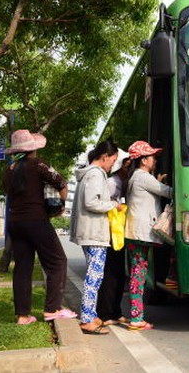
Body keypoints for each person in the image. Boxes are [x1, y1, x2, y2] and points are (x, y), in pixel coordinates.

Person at [3, 129, 76, 325]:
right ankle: (53, 309)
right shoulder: (39, 164)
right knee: (57, 261)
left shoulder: (10, 170)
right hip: (36, 220)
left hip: (15, 223)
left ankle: (23, 315)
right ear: (33, 148)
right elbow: (61, 183)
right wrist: (60, 207)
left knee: (23, 268)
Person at [69, 141, 121, 335]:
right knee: (95, 276)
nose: (112, 165)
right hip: (94, 232)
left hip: (89, 231)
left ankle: (90, 314)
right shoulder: (96, 174)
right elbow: (91, 202)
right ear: (105, 156)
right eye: (113, 161)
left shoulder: (88, 174)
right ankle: (88, 318)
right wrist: (113, 205)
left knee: (94, 275)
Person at [124, 141, 172, 331]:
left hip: (136, 232)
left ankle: (136, 315)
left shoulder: (137, 176)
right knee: (138, 274)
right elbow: (168, 192)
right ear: (144, 160)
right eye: (152, 157)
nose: (154, 160)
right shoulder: (143, 176)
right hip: (140, 232)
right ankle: (136, 318)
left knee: (138, 273)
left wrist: (156, 182)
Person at [97, 148, 130, 327]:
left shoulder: (123, 182)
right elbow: (102, 204)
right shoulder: (111, 182)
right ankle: (105, 313)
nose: (129, 168)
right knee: (109, 274)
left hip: (119, 233)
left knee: (118, 274)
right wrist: (114, 205)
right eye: (127, 165)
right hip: (109, 233)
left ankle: (116, 312)